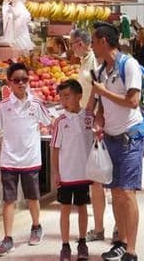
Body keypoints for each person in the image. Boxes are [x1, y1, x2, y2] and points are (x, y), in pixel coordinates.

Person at [0, 62, 54, 256]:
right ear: (9, 83)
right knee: (9, 200)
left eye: (24, 80)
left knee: (33, 197)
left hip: (31, 159)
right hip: (9, 160)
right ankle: (7, 238)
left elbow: (50, 123)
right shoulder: (3, 106)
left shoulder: (37, 103)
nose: (21, 84)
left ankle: (36, 226)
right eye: (17, 81)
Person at [89, 22, 144, 261]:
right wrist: (99, 121)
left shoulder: (128, 64)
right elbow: (102, 106)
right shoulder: (102, 71)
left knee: (127, 192)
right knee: (115, 192)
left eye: (93, 41)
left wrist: (102, 92)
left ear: (104, 41)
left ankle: (131, 250)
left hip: (130, 137)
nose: (91, 46)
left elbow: (133, 101)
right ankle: (120, 241)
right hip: (110, 137)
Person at [73, 30, 112, 246]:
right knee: (97, 178)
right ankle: (100, 227)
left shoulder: (97, 65)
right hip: (92, 123)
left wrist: (96, 117)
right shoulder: (88, 62)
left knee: (104, 179)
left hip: (102, 126)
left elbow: (98, 95)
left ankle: (114, 228)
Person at [52, 79, 92, 261]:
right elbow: (55, 149)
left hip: (84, 174)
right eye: (61, 97)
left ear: (79, 96)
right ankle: (65, 245)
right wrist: (56, 173)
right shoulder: (60, 122)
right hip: (66, 175)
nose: (63, 101)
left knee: (82, 207)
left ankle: (82, 242)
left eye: (67, 96)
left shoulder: (88, 118)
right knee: (65, 209)